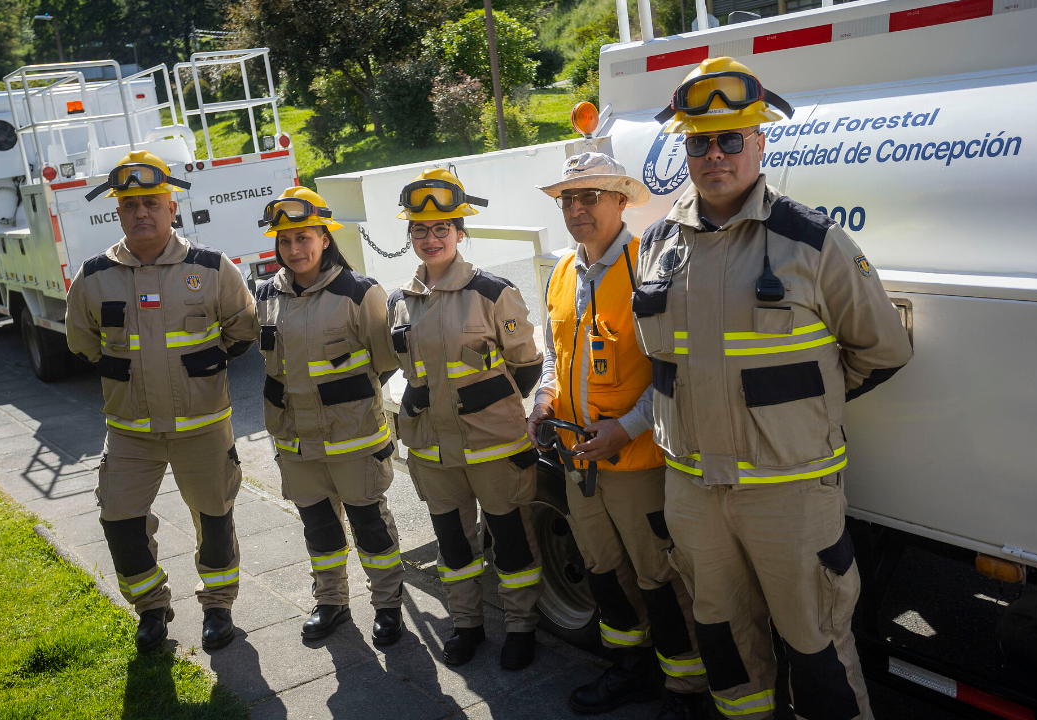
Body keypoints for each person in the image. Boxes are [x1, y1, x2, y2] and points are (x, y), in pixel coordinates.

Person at [633, 57, 913, 720]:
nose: (715, 154)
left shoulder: (813, 242)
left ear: (761, 144)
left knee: (817, 649)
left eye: (732, 138)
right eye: (699, 141)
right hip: (694, 493)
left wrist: (803, 404)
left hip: (790, 494)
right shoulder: (655, 246)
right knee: (724, 645)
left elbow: (883, 348)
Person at [528, 152, 709, 719]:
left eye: (591, 196)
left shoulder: (648, 268)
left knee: (660, 575)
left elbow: (678, 369)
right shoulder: (562, 271)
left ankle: (687, 688)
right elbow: (559, 358)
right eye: (568, 200)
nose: (577, 209)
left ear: (621, 201)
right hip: (579, 458)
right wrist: (542, 400)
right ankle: (629, 669)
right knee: (604, 568)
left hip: (639, 461)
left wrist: (626, 428)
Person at [66, 151, 259, 653]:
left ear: (173, 207)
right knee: (118, 520)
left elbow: (244, 328)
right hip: (130, 432)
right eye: (130, 205)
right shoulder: (91, 277)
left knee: (215, 520)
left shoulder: (213, 268)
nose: (141, 213)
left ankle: (218, 607)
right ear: (117, 213)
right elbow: (84, 343)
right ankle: (152, 607)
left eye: (152, 202)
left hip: (203, 425)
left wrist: (202, 371)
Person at [386, 169, 545, 670]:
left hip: (493, 446)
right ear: (409, 235)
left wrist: (488, 407)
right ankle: (466, 624)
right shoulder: (399, 301)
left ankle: (521, 627)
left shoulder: (493, 292)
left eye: (441, 229)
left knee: (513, 540)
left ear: (460, 232)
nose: (430, 239)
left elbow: (527, 364)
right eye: (420, 229)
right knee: (454, 545)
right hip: (432, 452)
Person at [254, 187, 406, 646]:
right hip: (296, 444)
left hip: (353, 442)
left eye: (304, 238)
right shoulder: (266, 295)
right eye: (285, 241)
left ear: (324, 237)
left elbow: (384, 361)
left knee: (371, 528)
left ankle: (387, 606)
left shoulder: (359, 293)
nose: (295, 249)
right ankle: (332, 603)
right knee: (319, 531)